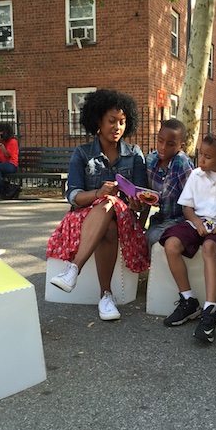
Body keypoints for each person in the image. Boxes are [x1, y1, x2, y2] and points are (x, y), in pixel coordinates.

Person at [47, 89, 149, 321]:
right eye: (112, 121)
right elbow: (73, 195)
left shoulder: (134, 154)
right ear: (98, 122)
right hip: (86, 217)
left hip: (124, 219)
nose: (117, 127)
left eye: (122, 122)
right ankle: (106, 296)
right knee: (108, 217)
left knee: (112, 204)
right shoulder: (82, 153)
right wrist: (98, 193)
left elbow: (141, 200)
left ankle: (73, 270)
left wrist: (137, 203)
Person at [159, 129, 216, 344]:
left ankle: (210, 310)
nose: (201, 159)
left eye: (207, 156)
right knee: (171, 244)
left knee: (209, 247)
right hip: (196, 223)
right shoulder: (196, 175)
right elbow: (187, 209)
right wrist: (196, 223)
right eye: (200, 154)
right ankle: (188, 300)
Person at [141, 119, 194, 249]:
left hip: (180, 219)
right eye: (160, 141)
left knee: (153, 238)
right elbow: (146, 197)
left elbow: (192, 200)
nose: (163, 147)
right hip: (160, 219)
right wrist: (139, 226)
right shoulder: (150, 161)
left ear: (181, 146)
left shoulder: (182, 163)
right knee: (142, 239)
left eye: (170, 144)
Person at [0, 122, 20, 200]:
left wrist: (0, 144)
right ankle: (8, 189)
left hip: (11, 164)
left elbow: (7, 155)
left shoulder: (12, 141)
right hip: (0, 164)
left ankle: (2, 191)